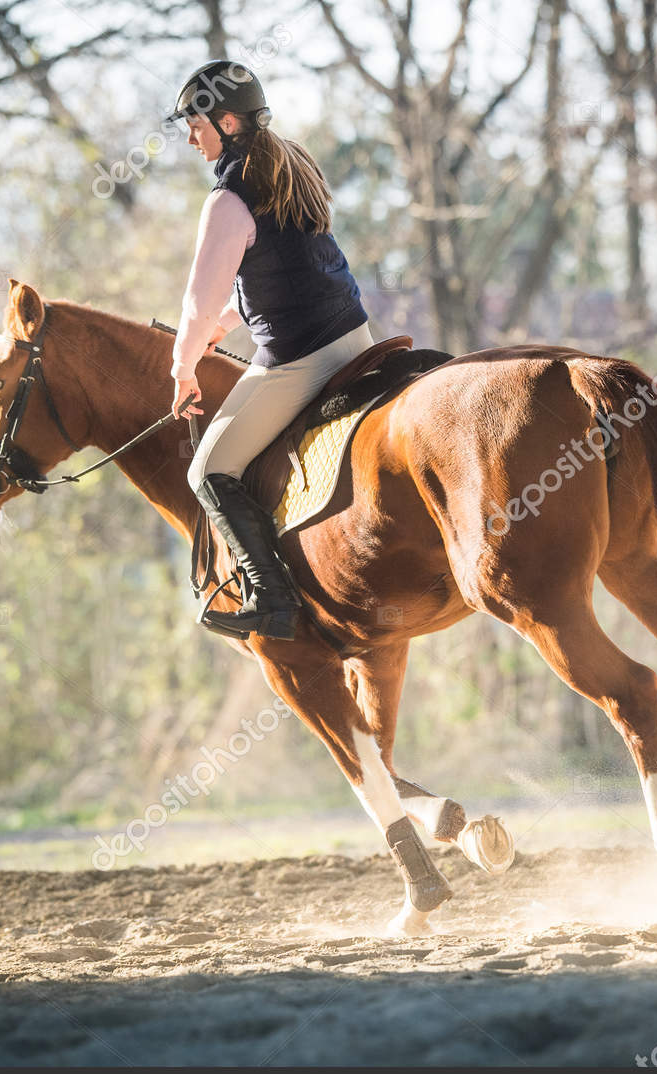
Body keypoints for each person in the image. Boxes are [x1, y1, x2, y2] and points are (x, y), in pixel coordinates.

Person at [166, 60, 375, 641]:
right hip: (356, 340)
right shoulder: (289, 169)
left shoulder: (228, 200)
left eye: (195, 123)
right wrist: (222, 328)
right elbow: (280, 275)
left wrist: (184, 368)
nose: (190, 136)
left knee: (207, 472)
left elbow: (195, 305)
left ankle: (271, 599)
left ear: (227, 122)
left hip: (300, 362)